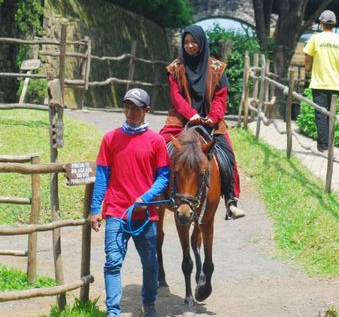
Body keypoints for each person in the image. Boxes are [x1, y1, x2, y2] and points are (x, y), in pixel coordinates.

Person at [90, 88, 170, 317]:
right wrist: (96, 209)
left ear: (147, 110)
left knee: (150, 263)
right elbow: (103, 176)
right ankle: (113, 312)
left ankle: (149, 303)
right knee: (112, 263)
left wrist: (146, 198)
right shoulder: (110, 139)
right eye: (127, 106)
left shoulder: (156, 142)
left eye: (136, 107)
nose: (130, 111)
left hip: (145, 216)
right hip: (116, 211)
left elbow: (163, 177)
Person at [159, 24, 246, 219]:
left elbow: (220, 98)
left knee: (228, 155)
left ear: (202, 42)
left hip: (210, 121)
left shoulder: (217, 68)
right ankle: (154, 193)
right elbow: (176, 96)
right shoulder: (175, 68)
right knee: (158, 146)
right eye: (186, 42)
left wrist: (212, 118)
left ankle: (231, 201)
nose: (190, 46)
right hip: (181, 119)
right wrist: (190, 114)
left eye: (194, 42)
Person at [303, 10, 339, 152]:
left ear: (321, 23)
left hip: (319, 83)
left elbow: (308, 57)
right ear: (334, 24)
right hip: (335, 84)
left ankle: (324, 146)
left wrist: (307, 70)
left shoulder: (315, 39)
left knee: (321, 114)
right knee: (330, 115)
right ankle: (327, 144)